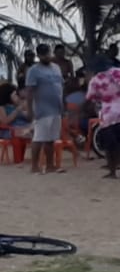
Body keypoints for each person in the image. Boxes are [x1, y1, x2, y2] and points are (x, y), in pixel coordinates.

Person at [88, 56, 120, 178]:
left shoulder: (95, 79)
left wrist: (104, 98)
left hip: (108, 112)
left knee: (110, 144)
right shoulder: (119, 72)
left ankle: (112, 171)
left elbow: (91, 97)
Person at [24, 44, 64, 174]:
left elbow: (60, 87)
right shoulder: (34, 70)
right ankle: (34, 166)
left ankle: (50, 165)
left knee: (51, 139)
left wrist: (62, 105)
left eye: (47, 53)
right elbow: (29, 91)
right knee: (39, 138)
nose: (46, 56)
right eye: (43, 54)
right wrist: (30, 110)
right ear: (39, 56)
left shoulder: (56, 68)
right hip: (42, 109)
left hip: (56, 108)